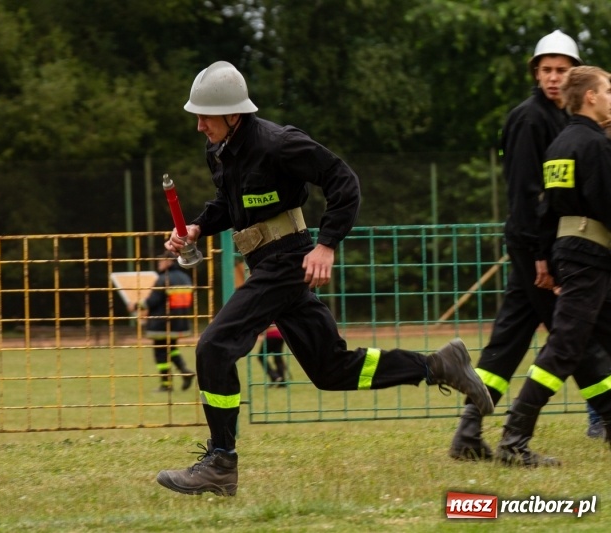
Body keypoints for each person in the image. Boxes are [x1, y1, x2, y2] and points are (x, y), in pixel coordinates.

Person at [155, 60, 493, 496]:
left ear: (234, 113)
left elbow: (344, 182)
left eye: (206, 115)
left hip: (286, 260)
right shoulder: (220, 149)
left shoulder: (280, 144)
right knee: (331, 369)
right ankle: (438, 365)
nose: (199, 125)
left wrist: (327, 244)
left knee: (214, 346)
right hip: (268, 263)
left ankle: (221, 462)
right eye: (197, 115)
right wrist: (198, 227)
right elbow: (229, 204)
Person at [448, 30, 605, 460]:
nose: (554, 78)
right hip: (536, 246)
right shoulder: (530, 119)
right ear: (535, 73)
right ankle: (593, 420)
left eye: (562, 70)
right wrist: (540, 256)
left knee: (509, 341)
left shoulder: (565, 120)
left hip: (545, 245)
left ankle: (468, 433)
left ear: (575, 75)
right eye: (546, 70)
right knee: (575, 338)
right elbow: (525, 195)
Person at [495, 65, 611, 466]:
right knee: (563, 348)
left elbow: (546, 210)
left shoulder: (561, 143)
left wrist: (545, 257)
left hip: (569, 254)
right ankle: (514, 441)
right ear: (591, 97)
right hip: (591, 258)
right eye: (608, 90)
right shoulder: (595, 145)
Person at [128, 252, 195, 392]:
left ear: (169, 262)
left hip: (162, 323)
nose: (158, 264)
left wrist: (135, 306)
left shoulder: (163, 279)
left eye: (160, 261)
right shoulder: (185, 278)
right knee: (172, 349)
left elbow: (152, 301)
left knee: (160, 352)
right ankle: (185, 372)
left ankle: (166, 385)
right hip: (180, 321)